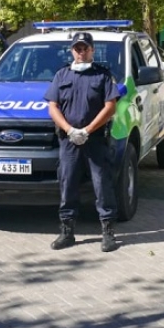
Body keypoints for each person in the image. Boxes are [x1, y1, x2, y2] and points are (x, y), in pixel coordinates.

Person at [44, 31, 121, 253]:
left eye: (85, 48)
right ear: (72, 51)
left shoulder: (103, 75)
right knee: (67, 184)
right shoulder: (62, 75)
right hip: (69, 141)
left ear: (92, 50)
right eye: (77, 48)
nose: (81, 52)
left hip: (94, 139)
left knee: (102, 185)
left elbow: (110, 107)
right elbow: (52, 106)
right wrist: (69, 130)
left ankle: (108, 233)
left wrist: (87, 130)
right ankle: (67, 232)